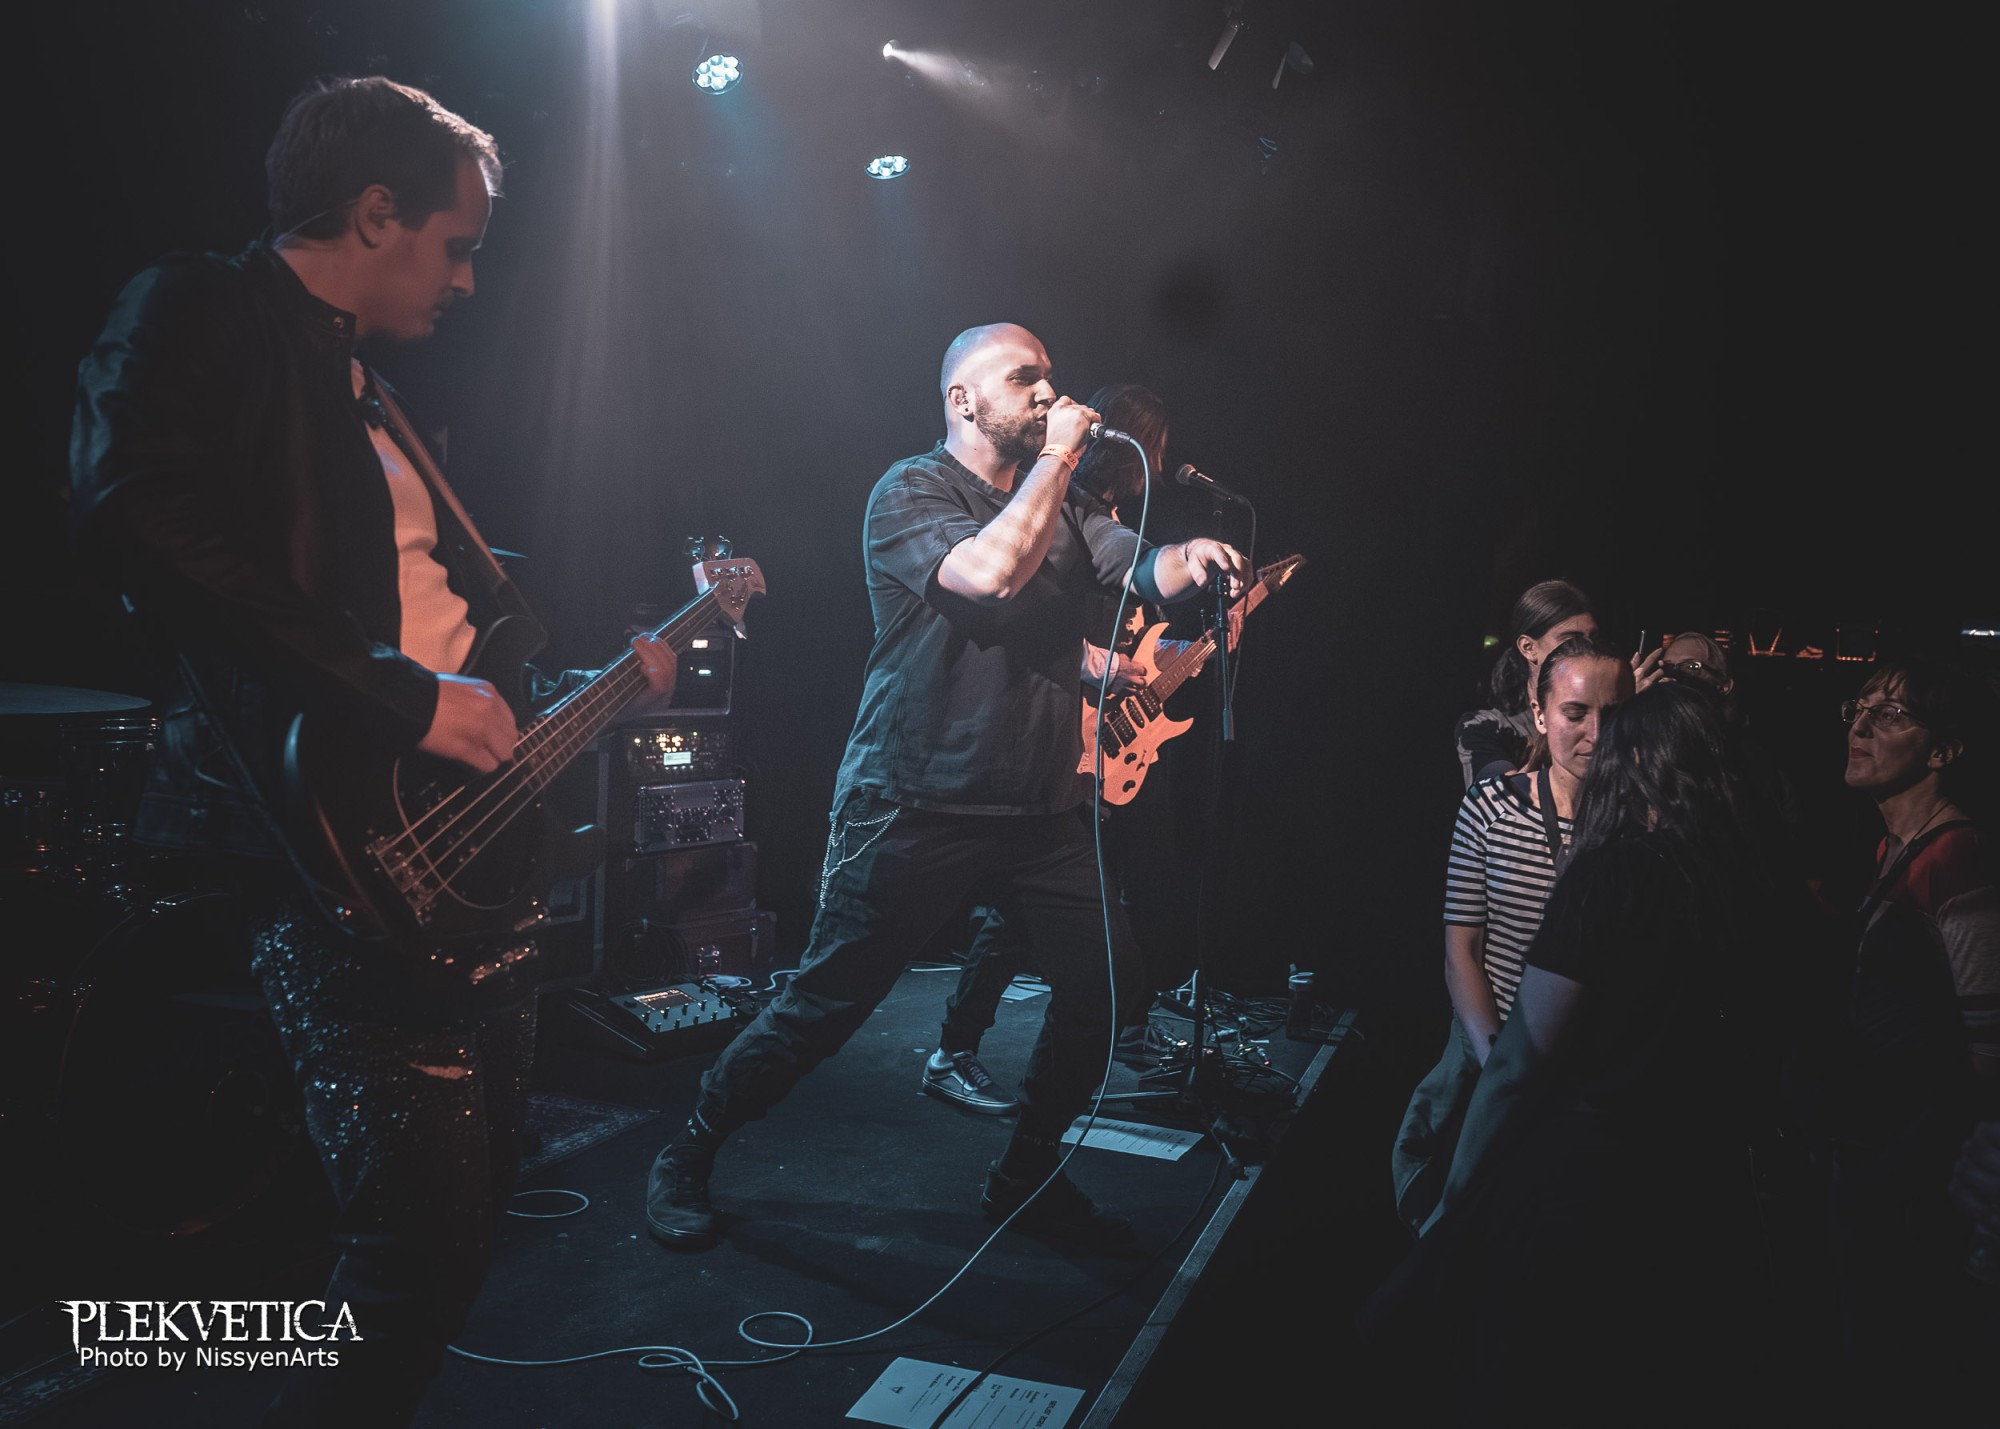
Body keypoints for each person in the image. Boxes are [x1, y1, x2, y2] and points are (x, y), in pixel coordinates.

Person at [65, 77, 676, 1426]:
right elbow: (131, 507)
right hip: (331, 835)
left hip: (460, 839)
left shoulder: (370, 389)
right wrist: (399, 697)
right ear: (376, 211)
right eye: (457, 245)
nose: (468, 280)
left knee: (462, 1225)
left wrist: (564, 692)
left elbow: (440, 610)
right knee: (415, 1258)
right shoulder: (200, 306)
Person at [643, 324, 1249, 1254]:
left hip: (1038, 807)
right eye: (1024, 376)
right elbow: (989, 576)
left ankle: (1025, 1174)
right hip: (914, 797)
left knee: (1107, 983)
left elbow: (1142, 566)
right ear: (963, 401)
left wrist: (1191, 557)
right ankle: (689, 1148)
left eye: (1050, 375)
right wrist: (1057, 461)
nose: (1047, 390)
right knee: (824, 1007)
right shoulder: (910, 491)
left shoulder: (1067, 506)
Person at [1362, 680, 1798, 1421]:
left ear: (1635, 763)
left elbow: (1521, 1061)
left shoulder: (1615, 874)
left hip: (1582, 1182)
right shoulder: (1747, 880)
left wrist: (1458, 1196)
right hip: (1693, 1186)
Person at [920, 383, 1208, 1114]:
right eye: (1153, 452)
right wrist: (1086, 660)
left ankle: (1118, 1037)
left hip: (1114, 744)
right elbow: (1005, 616)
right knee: (1013, 919)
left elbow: (1139, 621)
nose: (1156, 468)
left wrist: (1197, 643)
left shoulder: (1105, 524)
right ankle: (954, 1050)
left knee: (1113, 907)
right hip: (1055, 736)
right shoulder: (1051, 509)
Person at [1805, 656, 2000, 1418]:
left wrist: (1898, 1162)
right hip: (1873, 1154)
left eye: (1890, 715)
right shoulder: (1893, 849)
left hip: (1909, 1176)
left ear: (1945, 749)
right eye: (1860, 707)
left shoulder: (1958, 858)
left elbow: (1989, 1057)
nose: (1861, 724)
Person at [1391, 632, 1633, 1231]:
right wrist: (1498, 1061)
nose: (1595, 733)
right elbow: (1461, 951)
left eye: (1612, 715)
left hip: (1589, 1079)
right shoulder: (1490, 806)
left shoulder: (1641, 823)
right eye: (1575, 713)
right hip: (1491, 1056)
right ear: (1539, 714)